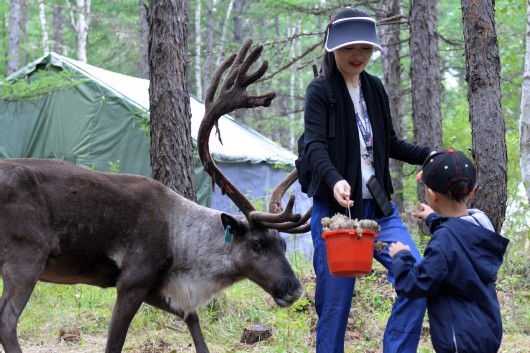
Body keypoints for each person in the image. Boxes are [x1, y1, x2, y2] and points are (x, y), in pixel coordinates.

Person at [301, 7, 433, 353]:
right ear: (333, 48)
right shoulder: (321, 91)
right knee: (334, 304)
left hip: (380, 212)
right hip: (336, 215)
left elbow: (390, 142)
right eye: (348, 49)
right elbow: (313, 145)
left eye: (364, 48)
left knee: (416, 277)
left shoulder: (374, 88)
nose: (358, 56)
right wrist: (333, 180)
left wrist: (428, 155)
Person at [389, 149, 509, 353]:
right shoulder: (481, 223)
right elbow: (459, 236)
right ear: (471, 191)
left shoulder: (444, 240)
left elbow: (416, 285)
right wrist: (434, 219)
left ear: (431, 194)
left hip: (459, 340)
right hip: (487, 332)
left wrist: (401, 257)